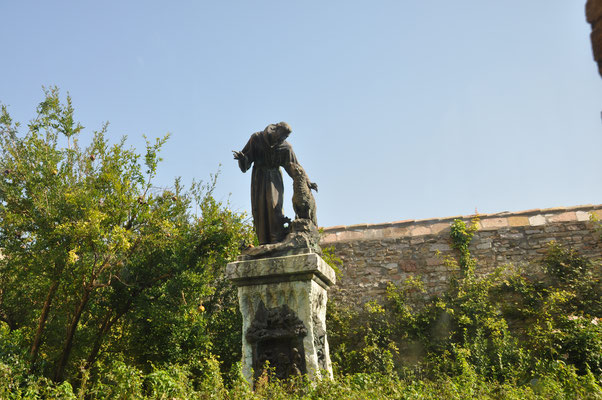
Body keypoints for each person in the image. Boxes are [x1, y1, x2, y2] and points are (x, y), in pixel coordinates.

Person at [233, 122, 299, 244]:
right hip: (259, 177)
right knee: (259, 209)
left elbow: (294, 167)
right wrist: (243, 159)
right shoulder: (257, 138)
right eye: (283, 135)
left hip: (275, 178)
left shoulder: (286, 147)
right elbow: (247, 159)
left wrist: (305, 181)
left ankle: (277, 239)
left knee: (274, 206)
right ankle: (264, 242)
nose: (283, 139)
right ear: (276, 129)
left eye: (286, 137)